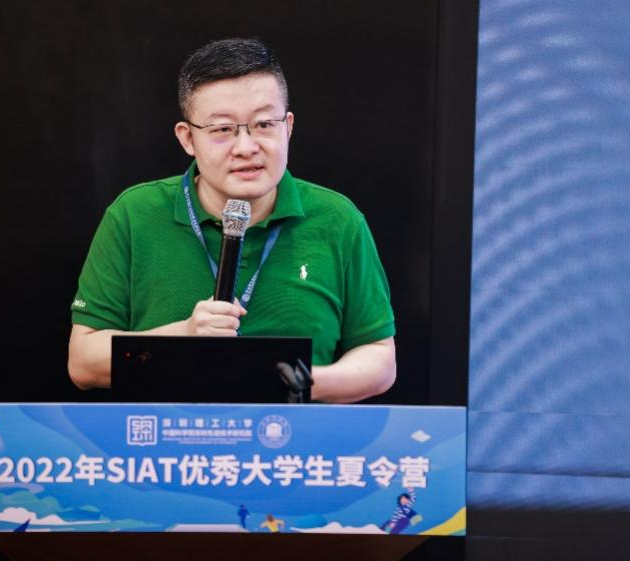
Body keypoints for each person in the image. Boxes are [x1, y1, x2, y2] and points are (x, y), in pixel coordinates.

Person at [68, 38, 396, 403]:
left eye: (263, 124)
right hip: (168, 437)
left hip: (293, 435)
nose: (246, 147)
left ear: (288, 127)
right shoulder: (134, 215)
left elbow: (379, 358)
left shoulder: (338, 219)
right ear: (187, 138)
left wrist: (295, 380)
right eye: (223, 129)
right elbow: (83, 362)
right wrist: (184, 335)